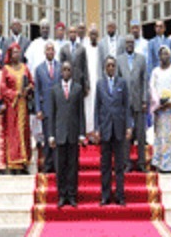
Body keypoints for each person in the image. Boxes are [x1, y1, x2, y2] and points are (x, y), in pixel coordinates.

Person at [94, 56, 132, 206]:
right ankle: (105, 195)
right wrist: (97, 128)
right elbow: (97, 107)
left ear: (115, 67)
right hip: (105, 129)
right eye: (108, 65)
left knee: (119, 165)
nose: (110, 68)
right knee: (105, 166)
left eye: (112, 65)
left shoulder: (122, 83)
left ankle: (120, 196)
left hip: (119, 129)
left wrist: (129, 126)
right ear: (104, 68)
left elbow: (126, 106)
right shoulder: (100, 84)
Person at [49, 61, 86, 208]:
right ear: (60, 72)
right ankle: (61, 195)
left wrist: (82, 134)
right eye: (63, 69)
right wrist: (51, 135)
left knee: (72, 166)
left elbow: (81, 113)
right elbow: (52, 113)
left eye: (68, 70)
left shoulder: (77, 89)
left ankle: (72, 195)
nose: (66, 72)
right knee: (60, 166)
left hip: (73, 133)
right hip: (59, 134)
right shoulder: (55, 89)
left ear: (71, 72)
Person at [1, 43, 34, 174]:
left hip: (23, 106)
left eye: (18, 52)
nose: (17, 55)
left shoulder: (25, 68)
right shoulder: (6, 69)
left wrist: (28, 89)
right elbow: (3, 89)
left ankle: (24, 162)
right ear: (10, 54)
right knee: (13, 133)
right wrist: (15, 94)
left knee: (24, 133)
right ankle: (14, 164)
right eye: (14, 52)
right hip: (12, 107)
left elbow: (32, 83)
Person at [117, 35, 147, 172]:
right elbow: (117, 81)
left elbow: (144, 81)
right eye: (127, 42)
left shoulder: (141, 59)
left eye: (131, 42)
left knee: (140, 134)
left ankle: (141, 163)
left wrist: (144, 100)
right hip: (124, 104)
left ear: (134, 44)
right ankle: (126, 163)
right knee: (125, 136)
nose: (129, 44)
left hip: (138, 102)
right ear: (124, 44)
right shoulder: (119, 60)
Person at [150, 46, 171, 172]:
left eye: (167, 54)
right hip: (160, 109)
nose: (164, 56)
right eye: (162, 54)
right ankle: (161, 164)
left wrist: (169, 101)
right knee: (161, 137)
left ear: (170, 56)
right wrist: (158, 102)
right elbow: (152, 87)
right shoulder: (155, 72)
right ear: (159, 56)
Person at [34, 42, 61, 173]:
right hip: (45, 109)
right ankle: (48, 165)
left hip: (58, 109)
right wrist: (38, 109)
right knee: (46, 137)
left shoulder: (61, 67)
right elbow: (37, 91)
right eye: (48, 50)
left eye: (52, 50)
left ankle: (57, 165)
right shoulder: (39, 69)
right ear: (45, 52)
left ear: (54, 52)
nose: (50, 52)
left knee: (57, 138)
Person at [59, 25, 89, 96]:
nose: (73, 34)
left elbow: (85, 67)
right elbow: (60, 66)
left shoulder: (82, 49)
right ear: (68, 34)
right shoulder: (63, 49)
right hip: (67, 81)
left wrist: (87, 84)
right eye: (71, 32)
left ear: (77, 34)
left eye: (74, 32)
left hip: (79, 81)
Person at [84, 25, 100, 137]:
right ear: (89, 36)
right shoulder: (85, 48)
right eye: (91, 34)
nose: (93, 36)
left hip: (99, 83)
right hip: (89, 84)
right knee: (88, 108)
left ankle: (98, 132)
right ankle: (89, 132)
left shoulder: (101, 48)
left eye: (95, 34)